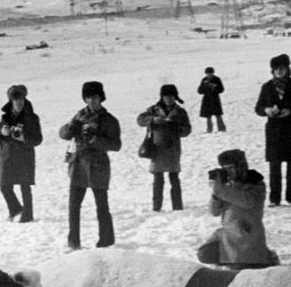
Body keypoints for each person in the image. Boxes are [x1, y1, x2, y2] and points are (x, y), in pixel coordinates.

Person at [59, 80, 121, 250]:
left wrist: (95, 139)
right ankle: (73, 242)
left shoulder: (109, 120)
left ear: (100, 98)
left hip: (98, 165)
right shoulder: (79, 115)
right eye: (88, 98)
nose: (91, 101)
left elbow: (116, 145)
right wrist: (72, 127)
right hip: (79, 165)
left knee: (102, 206)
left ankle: (106, 241)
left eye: (94, 97)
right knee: (73, 206)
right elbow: (63, 134)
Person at [197, 149, 278, 268]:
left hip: (247, 236)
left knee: (240, 271)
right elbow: (214, 212)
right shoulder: (228, 185)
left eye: (230, 168)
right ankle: (238, 259)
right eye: (225, 169)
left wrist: (221, 189)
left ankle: (266, 257)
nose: (228, 172)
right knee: (204, 254)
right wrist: (215, 195)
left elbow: (247, 201)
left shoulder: (256, 183)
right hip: (227, 234)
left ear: (241, 167)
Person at [254, 53, 291, 206]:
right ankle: (274, 199)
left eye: (281, 68)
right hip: (274, 131)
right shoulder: (267, 87)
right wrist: (266, 110)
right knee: (274, 165)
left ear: (287, 69)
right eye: (275, 69)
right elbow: (258, 107)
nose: (278, 71)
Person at [136, 84, 192, 211]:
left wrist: (178, 128)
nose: (169, 99)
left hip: (173, 149)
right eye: (166, 96)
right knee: (158, 180)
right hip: (157, 149)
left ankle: (177, 207)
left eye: (171, 96)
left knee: (174, 179)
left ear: (175, 97)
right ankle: (156, 207)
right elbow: (140, 120)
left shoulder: (180, 111)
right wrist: (153, 119)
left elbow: (187, 130)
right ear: (162, 97)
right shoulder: (154, 110)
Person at [0, 84, 43, 222]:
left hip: (24, 154)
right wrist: (1, 132)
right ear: (11, 101)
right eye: (16, 100)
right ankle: (15, 208)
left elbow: (38, 139)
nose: (19, 102)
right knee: (4, 185)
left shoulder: (32, 117)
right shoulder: (5, 117)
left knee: (25, 186)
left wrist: (24, 138)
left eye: (21, 99)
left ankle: (28, 215)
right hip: (8, 155)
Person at [197, 67, 226, 132]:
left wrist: (214, 87)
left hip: (215, 99)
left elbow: (221, 89)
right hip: (207, 100)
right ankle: (209, 129)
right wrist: (204, 86)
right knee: (208, 116)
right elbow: (199, 91)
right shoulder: (204, 80)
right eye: (208, 73)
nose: (209, 75)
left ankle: (222, 129)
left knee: (218, 115)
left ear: (213, 73)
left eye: (210, 73)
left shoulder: (217, 79)